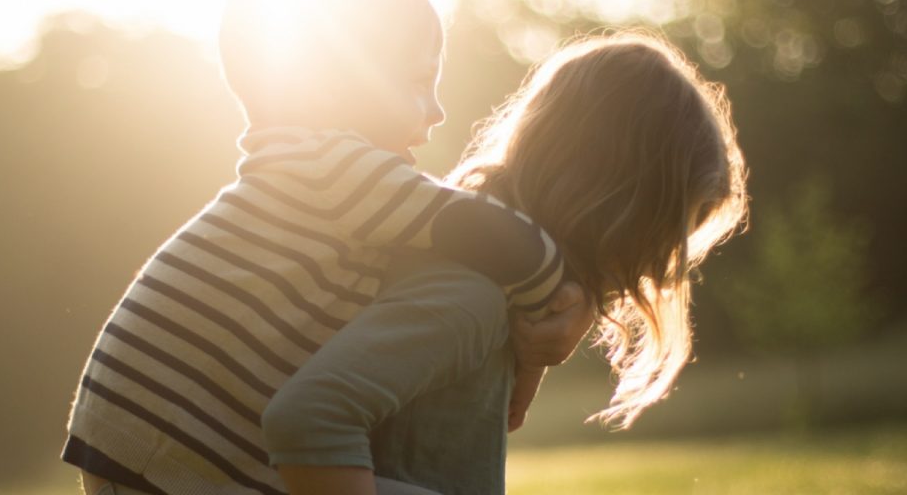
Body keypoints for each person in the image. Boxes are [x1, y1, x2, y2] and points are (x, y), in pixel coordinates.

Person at [61, 0, 576, 495]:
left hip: (144, 433)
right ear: (333, 86)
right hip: (175, 441)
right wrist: (561, 301)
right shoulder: (336, 168)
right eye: (420, 82)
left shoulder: (306, 168)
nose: (438, 110)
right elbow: (493, 235)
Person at [262, 31, 749, 494]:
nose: (659, 269)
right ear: (610, 201)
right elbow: (310, 415)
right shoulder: (470, 299)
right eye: (662, 237)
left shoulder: (495, 292)